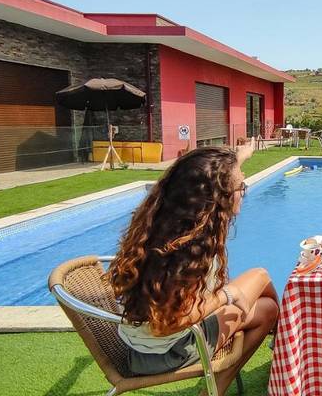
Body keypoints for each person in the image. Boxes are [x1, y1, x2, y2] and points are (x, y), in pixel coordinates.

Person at [107, 144, 278, 395]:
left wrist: (241, 155)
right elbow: (169, 323)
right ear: (217, 196)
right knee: (266, 299)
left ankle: (277, 334)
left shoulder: (162, 228)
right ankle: (278, 341)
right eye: (240, 187)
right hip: (166, 353)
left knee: (261, 282)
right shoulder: (188, 252)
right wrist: (225, 295)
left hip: (138, 346)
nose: (243, 191)